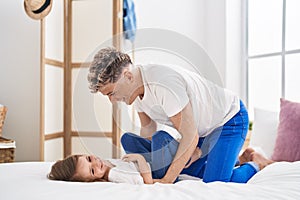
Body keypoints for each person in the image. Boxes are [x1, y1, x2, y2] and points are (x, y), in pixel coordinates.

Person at [87, 47, 271, 183]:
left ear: (127, 76)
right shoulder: (135, 90)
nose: (112, 100)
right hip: (199, 130)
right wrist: (146, 162)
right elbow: (148, 128)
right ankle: (235, 158)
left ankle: (254, 163)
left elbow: (190, 137)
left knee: (215, 183)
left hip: (229, 120)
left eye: (111, 93)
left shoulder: (163, 84)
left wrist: (166, 180)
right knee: (130, 140)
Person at [48, 130, 202, 184]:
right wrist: (140, 159)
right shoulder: (115, 175)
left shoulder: (106, 164)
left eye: (89, 159)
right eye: (92, 171)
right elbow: (147, 182)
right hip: (156, 172)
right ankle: (187, 151)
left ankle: (174, 148)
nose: (96, 164)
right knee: (159, 137)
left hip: (148, 163)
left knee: (126, 138)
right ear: (94, 180)